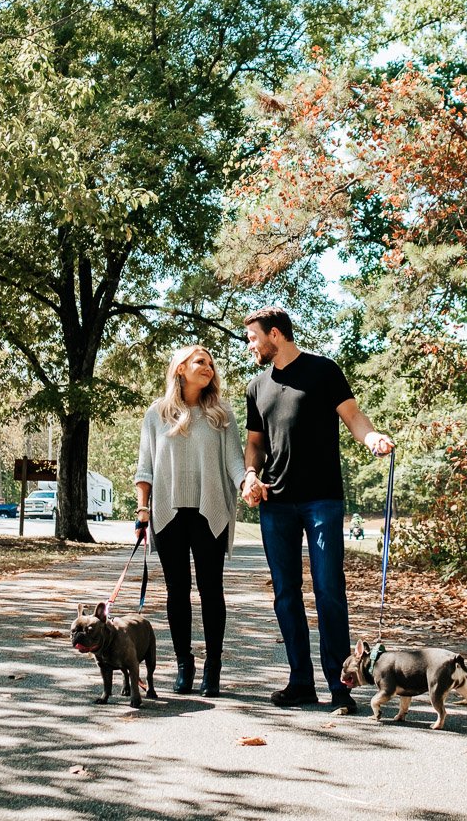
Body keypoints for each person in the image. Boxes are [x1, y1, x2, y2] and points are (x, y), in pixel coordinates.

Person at [241, 306, 394, 713]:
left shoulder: (324, 371)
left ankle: (340, 684)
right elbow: (255, 443)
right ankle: (300, 682)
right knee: (286, 594)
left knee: (329, 590)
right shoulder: (256, 386)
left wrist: (373, 438)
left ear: (276, 334)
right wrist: (249, 477)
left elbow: (354, 417)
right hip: (276, 503)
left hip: (322, 499)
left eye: (253, 337)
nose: (250, 346)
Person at [135, 344, 244, 697]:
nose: (208, 368)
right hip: (168, 512)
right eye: (201, 362)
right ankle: (185, 663)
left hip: (210, 511)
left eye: (211, 363)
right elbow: (145, 467)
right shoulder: (157, 413)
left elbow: (234, 462)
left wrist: (247, 483)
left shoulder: (221, 413)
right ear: (180, 368)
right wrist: (142, 510)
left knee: (212, 591)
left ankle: (213, 667)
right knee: (176, 592)